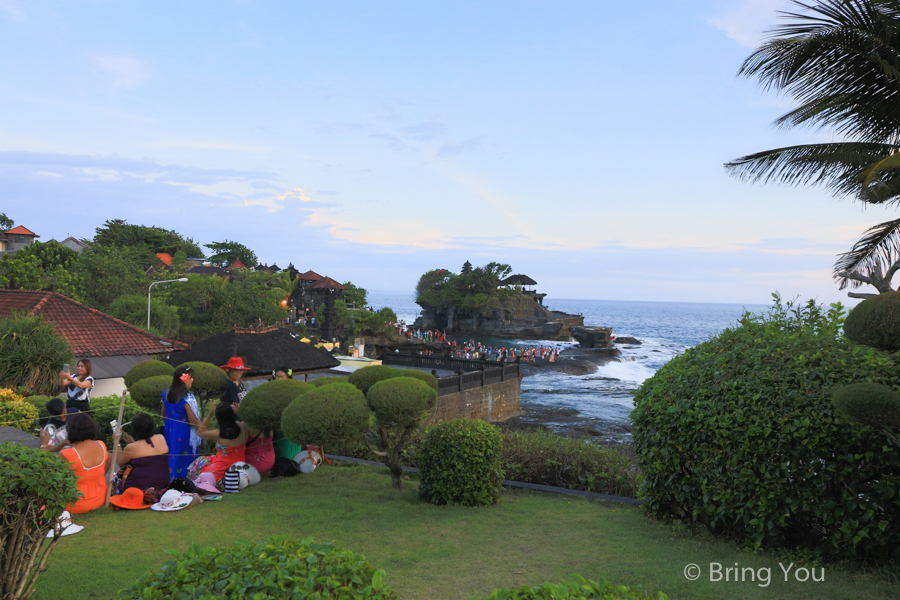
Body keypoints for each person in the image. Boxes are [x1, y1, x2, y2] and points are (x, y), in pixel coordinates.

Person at [58, 412, 108, 514]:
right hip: (100, 499)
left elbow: (50, 476)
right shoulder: (101, 445)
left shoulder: (67, 454)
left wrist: (44, 444)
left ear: (70, 431)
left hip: (76, 505)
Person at [163, 365, 202, 479]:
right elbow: (193, 420)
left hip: (170, 429)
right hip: (184, 431)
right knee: (184, 457)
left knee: (172, 455)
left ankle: (171, 479)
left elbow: (162, 412)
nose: (192, 380)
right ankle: (186, 480)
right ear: (185, 379)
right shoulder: (187, 397)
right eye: (191, 377)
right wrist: (204, 431)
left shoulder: (166, 392)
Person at [193, 402, 248, 482]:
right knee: (202, 460)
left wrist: (210, 414)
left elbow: (200, 432)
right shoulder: (242, 426)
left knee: (198, 465)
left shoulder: (218, 433)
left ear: (219, 417)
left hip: (223, 469)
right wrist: (238, 411)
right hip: (240, 467)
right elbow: (246, 420)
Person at [115, 413, 170, 492]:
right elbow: (148, 450)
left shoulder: (131, 447)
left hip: (140, 487)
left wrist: (117, 442)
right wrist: (132, 442)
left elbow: (120, 462)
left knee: (116, 479)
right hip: (162, 484)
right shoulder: (161, 438)